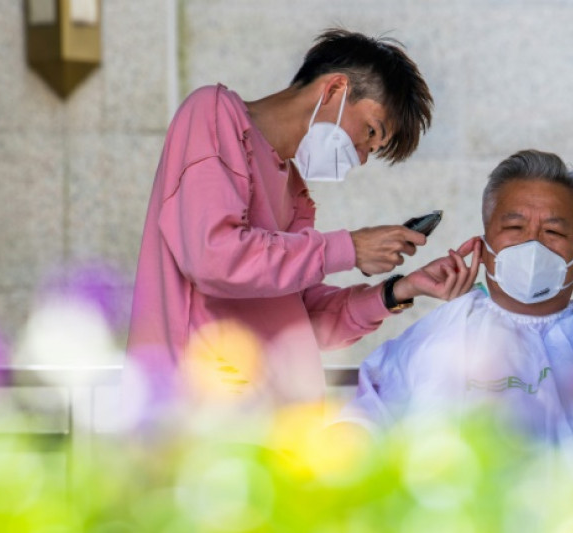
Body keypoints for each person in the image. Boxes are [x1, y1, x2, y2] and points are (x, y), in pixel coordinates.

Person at [127, 29, 481, 403]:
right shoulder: (213, 114)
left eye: (372, 150)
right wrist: (349, 248)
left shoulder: (294, 191)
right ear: (333, 90)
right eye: (369, 131)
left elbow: (301, 319)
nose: (361, 156)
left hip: (273, 421)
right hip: (200, 417)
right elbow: (214, 257)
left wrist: (400, 290)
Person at [339, 150, 573, 459]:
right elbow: (365, 431)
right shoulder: (435, 339)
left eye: (553, 232)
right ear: (483, 248)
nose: (532, 244)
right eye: (514, 227)